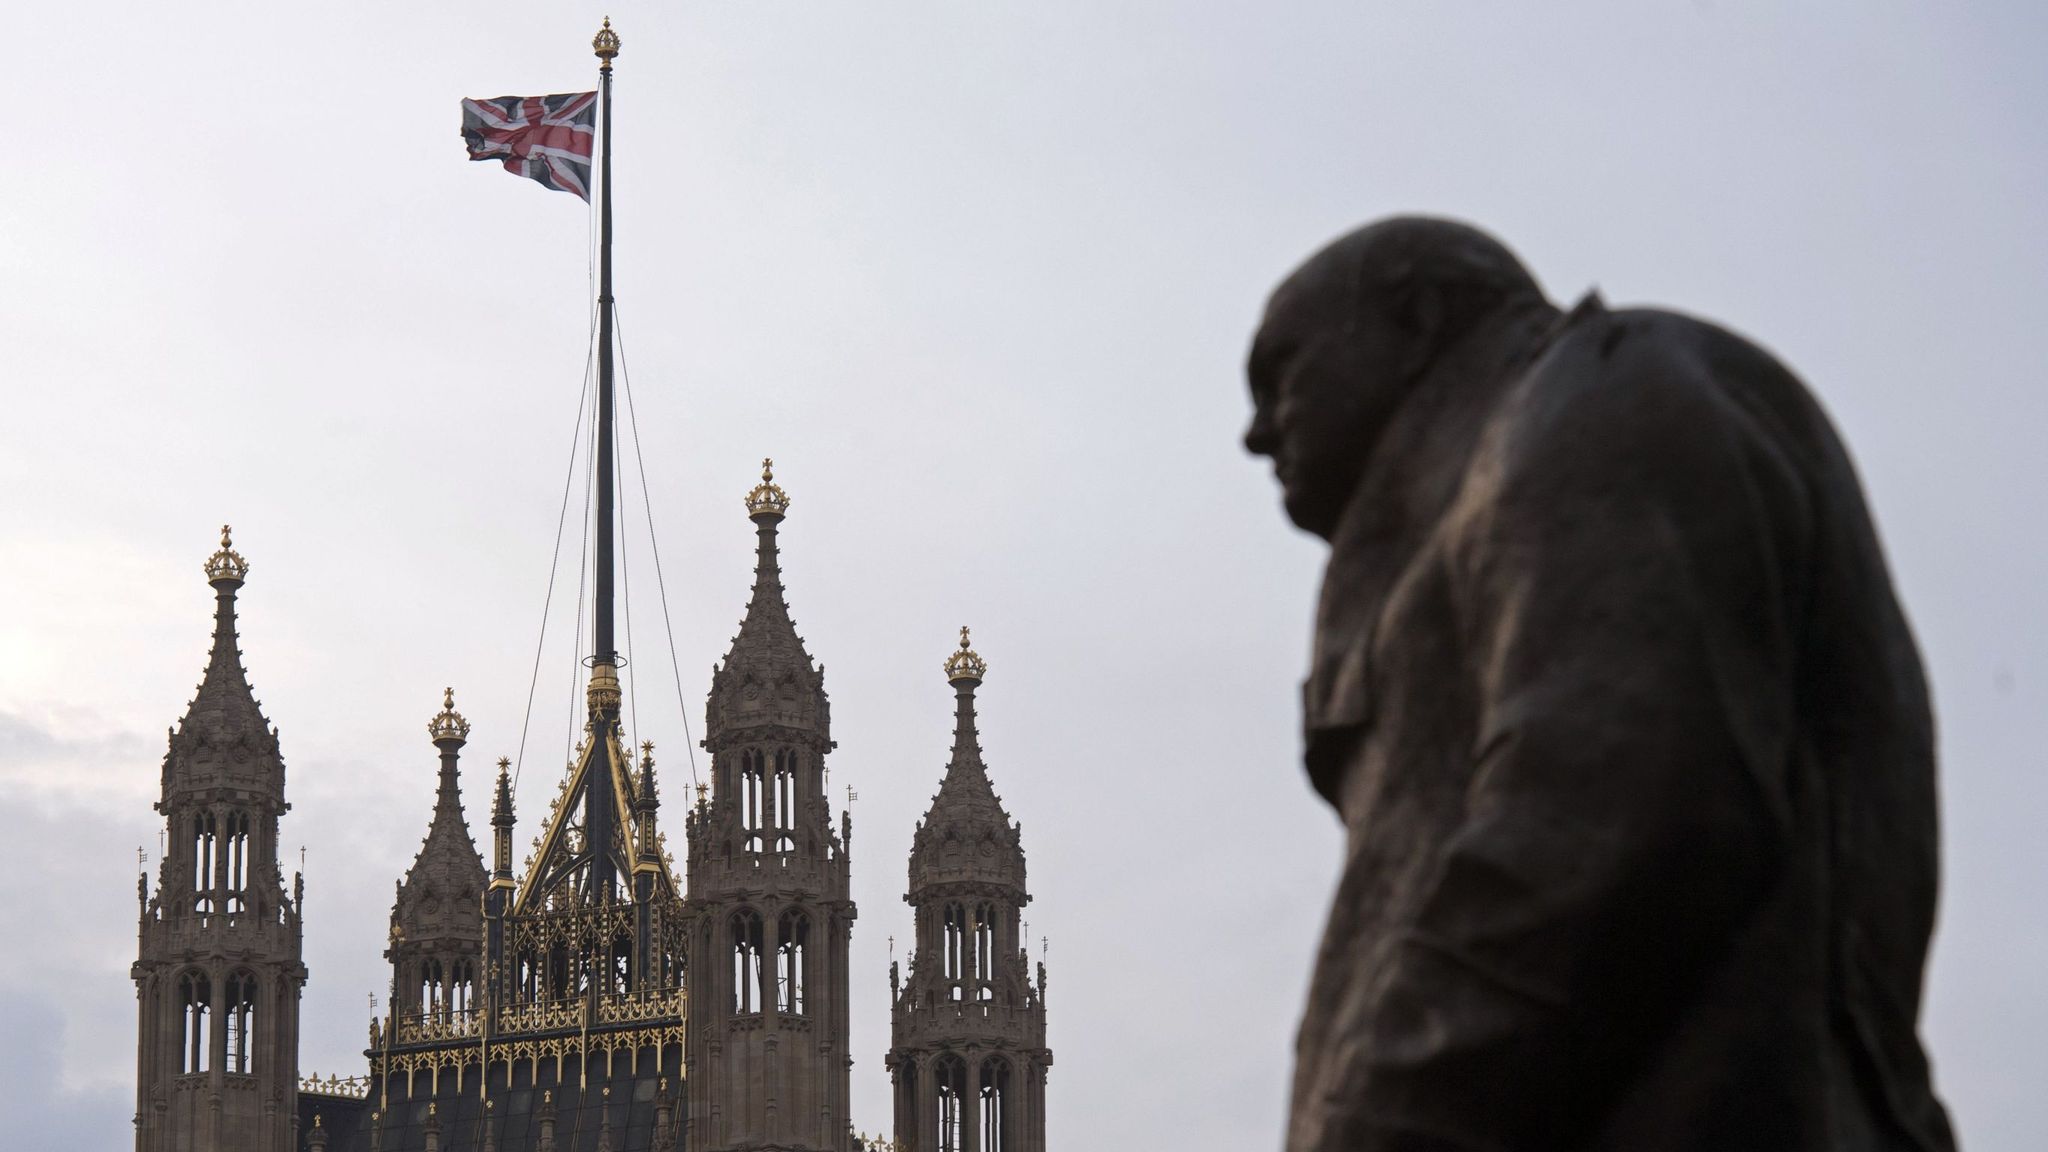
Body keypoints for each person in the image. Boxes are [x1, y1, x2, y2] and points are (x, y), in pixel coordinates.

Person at [1244, 217, 1957, 1151]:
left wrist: (1382, 1124)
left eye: (1282, 375)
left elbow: (1608, 823)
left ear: (1416, 320)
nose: (1258, 434)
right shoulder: (1509, 467)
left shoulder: (1602, 395)